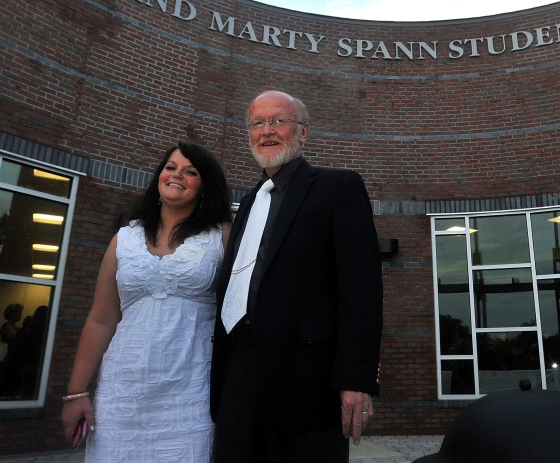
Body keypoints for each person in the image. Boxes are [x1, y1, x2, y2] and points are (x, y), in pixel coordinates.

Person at [211, 90, 383, 463]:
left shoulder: (339, 188)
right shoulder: (249, 203)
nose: (267, 131)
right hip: (237, 378)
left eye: (279, 121)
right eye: (258, 123)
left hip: (307, 385)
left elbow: (361, 291)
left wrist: (356, 379)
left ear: (303, 133)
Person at [62, 142, 232, 462]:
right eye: (170, 167)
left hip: (192, 390)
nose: (177, 175)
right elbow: (101, 319)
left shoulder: (221, 236)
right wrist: (76, 392)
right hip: (121, 392)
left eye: (190, 171)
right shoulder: (124, 238)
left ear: (205, 186)